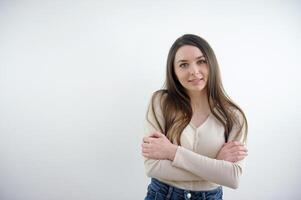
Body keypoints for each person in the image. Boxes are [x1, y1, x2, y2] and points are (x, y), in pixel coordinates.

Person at [141, 34, 248, 200]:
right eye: (183, 65)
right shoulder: (161, 102)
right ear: (174, 72)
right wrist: (215, 165)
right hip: (163, 195)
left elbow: (232, 178)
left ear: (211, 63)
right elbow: (152, 167)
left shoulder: (233, 116)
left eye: (201, 61)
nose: (194, 71)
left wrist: (172, 152)